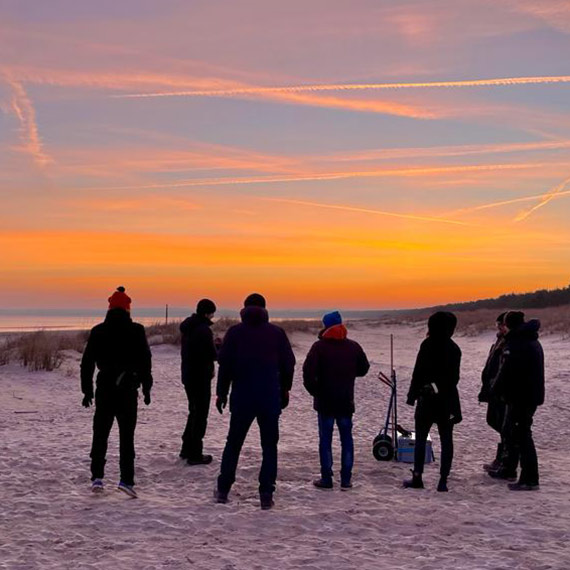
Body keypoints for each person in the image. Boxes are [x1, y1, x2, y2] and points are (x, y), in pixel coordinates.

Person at [214, 293, 296, 510]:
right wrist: (285, 389)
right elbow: (289, 364)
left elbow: (225, 365)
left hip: (242, 398)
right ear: (264, 309)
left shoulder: (235, 333)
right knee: (269, 447)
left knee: (233, 444)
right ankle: (266, 494)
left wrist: (221, 393)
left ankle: (223, 490)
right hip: (269, 398)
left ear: (245, 309)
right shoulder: (276, 333)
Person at [80, 286, 153, 498]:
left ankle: (97, 478)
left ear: (110, 308)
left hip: (104, 387)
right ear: (128, 309)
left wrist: (87, 390)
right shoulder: (137, 330)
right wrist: (146, 387)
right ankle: (126, 480)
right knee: (126, 435)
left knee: (100, 432)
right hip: (128, 388)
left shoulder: (98, 331)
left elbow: (87, 363)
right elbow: (145, 361)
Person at [303, 311, 370, 490]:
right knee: (346, 440)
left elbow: (308, 374)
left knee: (325, 440)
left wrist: (315, 391)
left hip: (325, 402)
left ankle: (327, 478)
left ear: (326, 326)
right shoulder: (353, 346)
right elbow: (364, 368)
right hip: (345, 400)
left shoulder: (319, 347)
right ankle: (346, 479)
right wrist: (348, 373)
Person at [404, 311, 462, 492]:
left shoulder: (427, 345)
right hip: (447, 401)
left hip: (427, 400)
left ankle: (417, 477)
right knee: (446, 441)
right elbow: (454, 379)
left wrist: (412, 396)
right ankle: (443, 481)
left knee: (421, 439)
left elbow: (418, 372)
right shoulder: (454, 349)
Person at [490, 311, 544, 491]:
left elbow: (506, 371)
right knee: (519, 433)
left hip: (521, 396)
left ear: (508, 324)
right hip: (529, 395)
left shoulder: (517, 343)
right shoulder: (531, 340)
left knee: (521, 435)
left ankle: (529, 478)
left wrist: (495, 390)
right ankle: (523, 474)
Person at [179, 298, 219, 465]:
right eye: (211, 314)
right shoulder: (203, 330)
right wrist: (219, 347)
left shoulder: (189, 327)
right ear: (206, 313)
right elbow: (211, 355)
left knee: (193, 411)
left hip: (189, 374)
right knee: (200, 414)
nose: (212, 317)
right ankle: (195, 453)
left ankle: (186, 449)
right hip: (200, 376)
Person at [478, 312, 508, 473]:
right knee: (493, 421)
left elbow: (503, 368)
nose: (498, 328)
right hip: (493, 388)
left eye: (500, 325)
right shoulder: (499, 340)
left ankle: (505, 458)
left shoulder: (509, 342)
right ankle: (503, 456)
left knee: (503, 425)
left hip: (501, 391)